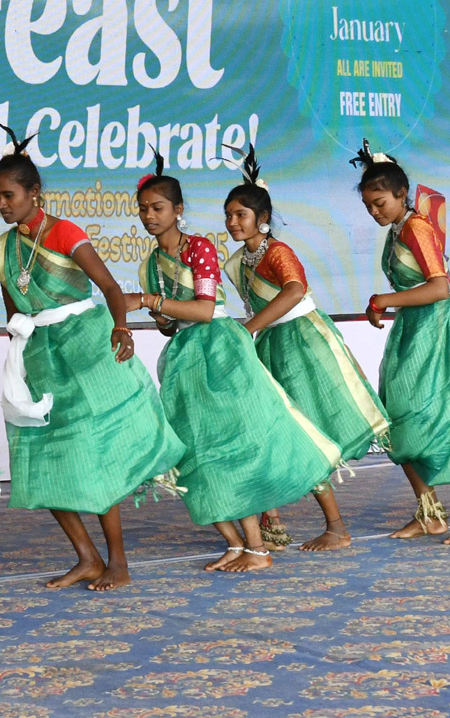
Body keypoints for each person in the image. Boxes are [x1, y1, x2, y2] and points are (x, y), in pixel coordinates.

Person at [0, 139, 185, 591]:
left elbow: (111, 288)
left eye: (8, 195)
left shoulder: (63, 232)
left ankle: (118, 561)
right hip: (40, 353)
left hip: (87, 347)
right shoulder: (0, 250)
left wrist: (120, 328)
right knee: (44, 455)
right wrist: (19, 346)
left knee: (96, 456)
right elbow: (13, 309)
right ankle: (87, 557)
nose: (1, 204)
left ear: (34, 192)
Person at [126, 155, 341, 572]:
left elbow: (206, 311)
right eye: (143, 209)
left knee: (235, 444)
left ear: (178, 211)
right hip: (184, 360)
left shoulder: (200, 249)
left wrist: (150, 302)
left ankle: (259, 547)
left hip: (221, 352)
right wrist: (161, 316)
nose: (149, 216)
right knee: (196, 452)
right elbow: (172, 325)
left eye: (158, 208)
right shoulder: (150, 263)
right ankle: (236, 543)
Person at [223, 147, 389, 551]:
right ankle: (273, 522)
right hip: (272, 345)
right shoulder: (240, 261)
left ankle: (337, 526)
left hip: (302, 342)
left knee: (308, 430)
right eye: (228, 216)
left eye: (240, 215)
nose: (232, 223)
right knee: (273, 429)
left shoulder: (278, 252)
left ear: (262, 219)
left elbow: (295, 291)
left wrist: (248, 330)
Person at [351, 140, 450, 543]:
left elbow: (437, 288)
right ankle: (429, 511)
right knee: (401, 418)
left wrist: (385, 299)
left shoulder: (416, 226)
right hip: (412, 330)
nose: (374, 211)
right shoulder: (398, 229)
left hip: (434, 328)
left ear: (402, 194)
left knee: (430, 417)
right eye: (368, 206)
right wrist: (386, 305)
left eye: (380, 202)